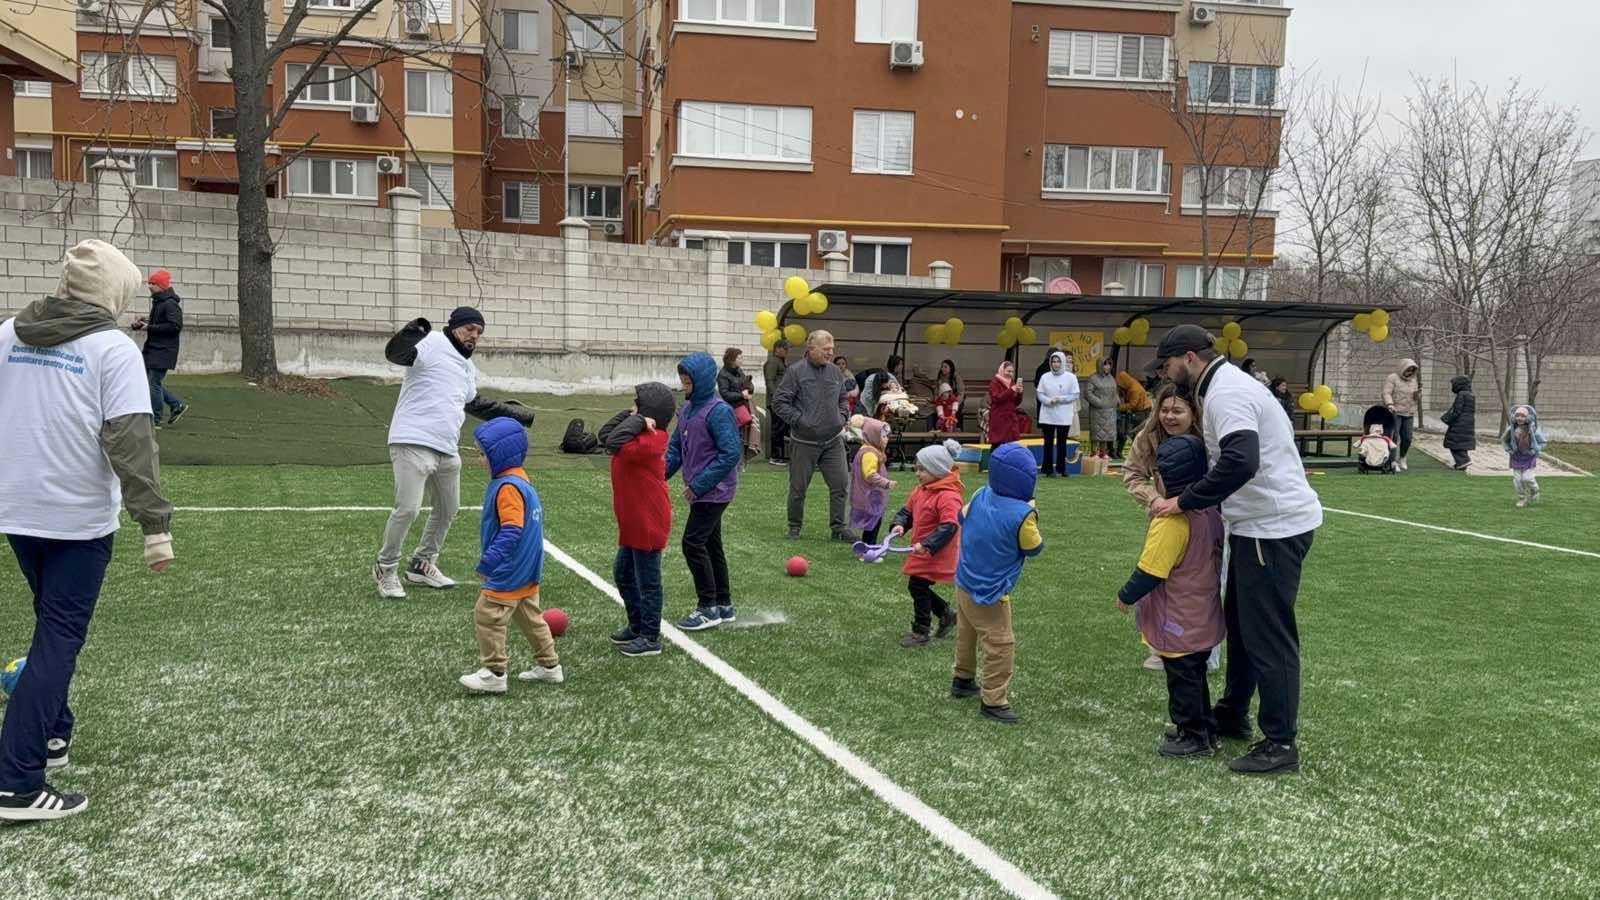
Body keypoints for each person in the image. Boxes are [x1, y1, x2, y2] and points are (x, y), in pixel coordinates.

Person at [0, 239, 175, 821]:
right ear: (114, 292)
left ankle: (53, 733)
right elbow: (131, 441)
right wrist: (156, 525)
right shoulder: (112, 349)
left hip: (17, 510)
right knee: (58, 639)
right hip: (76, 517)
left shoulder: (8, 334)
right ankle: (17, 782)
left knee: (50, 627)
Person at [1149, 324, 1322, 775]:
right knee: (1242, 628)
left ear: (1189, 358)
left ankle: (1280, 743)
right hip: (1257, 525)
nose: (1165, 373)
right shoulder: (1223, 386)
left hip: (1272, 528)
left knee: (1268, 635)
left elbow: (1241, 459)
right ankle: (1233, 711)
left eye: (1167, 364)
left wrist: (1185, 501)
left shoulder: (1225, 392)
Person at [375, 307, 535, 600]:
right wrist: (413, 331)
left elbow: (475, 404)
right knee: (408, 509)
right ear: (455, 326)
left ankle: (422, 564)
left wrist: (518, 415)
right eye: (470, 328)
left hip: (447, 448)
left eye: (479, 332)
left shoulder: (466, 366)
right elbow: (396, 354)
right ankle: (386, 568)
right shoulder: (433, 341)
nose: (474, 335)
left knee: (449, 508)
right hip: (412, 440)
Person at [1116, 434, 1224, 758]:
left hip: (1178, 615)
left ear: (1162, 477)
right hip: (1203, 611)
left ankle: (1193, 736)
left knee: (1181, 677)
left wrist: (1126, 595)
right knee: (1195, 672)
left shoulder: (1170, 522)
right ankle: (1205, 725)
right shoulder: (1209, 511)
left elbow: (1151, 570)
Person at [458, 418, 564, 694]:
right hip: (528, 565)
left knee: (488, 614)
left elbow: (512, 529)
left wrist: (490, 561)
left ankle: (495, 672)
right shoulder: (520, 479)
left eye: (483, 454)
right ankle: (550, 666)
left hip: (511, 566)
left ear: (500, 455)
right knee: (529, 616)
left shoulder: (507, 488)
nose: (480, 460)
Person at [949, 442, 1043, 724]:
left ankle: (962, 678)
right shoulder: (1023, 514)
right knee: (1000, 643)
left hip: (964, 579)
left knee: (966, 632)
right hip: (990, 589)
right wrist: (1029, 512)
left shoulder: (981, 494)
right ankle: (994, 699)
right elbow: (1033, 547)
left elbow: (961, 516)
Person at [598, 383, 677, 657]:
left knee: (648, 582)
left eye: (637, 404)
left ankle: (650, 636)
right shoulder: (638, 432)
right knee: (623, 574)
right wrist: (632, 415)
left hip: (648, 521)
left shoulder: (653, 439)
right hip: (633, 520)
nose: (632, 408)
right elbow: (605, 434)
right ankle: (637, 625)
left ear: (649, 412)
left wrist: (639, 419)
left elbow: (612, 442)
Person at [667, 352, 744, 631]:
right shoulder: (687, 410)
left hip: (715, 491)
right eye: (682, 382)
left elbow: (730, 453)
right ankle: (724, 605)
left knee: (692, 543)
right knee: (711, 544)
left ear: (701, 381)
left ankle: (707, 607)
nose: (684, 387)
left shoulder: (719, 411)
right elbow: (676, 447)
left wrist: (699, 484)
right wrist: (660, 474)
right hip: (700, 491)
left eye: (688, 382)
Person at [773, 330, 856, 542]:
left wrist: (842, 416)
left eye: (832, 349)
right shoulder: (795, 372)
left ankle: (839, 528)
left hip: (833, 441)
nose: (830, 353)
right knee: (798, 488)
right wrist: (801, 421)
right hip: (804, 442)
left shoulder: (835, 372)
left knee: (840, 485)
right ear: (811, 349)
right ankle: (794, 526)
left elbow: (843, 398)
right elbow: (779, 403)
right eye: (826, 349)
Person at [888, 439, 964, 648]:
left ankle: (921, 630)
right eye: (917, 468)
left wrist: (928, 545)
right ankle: (945, 613)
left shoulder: (948, 496)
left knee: (918, 585)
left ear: (937, 470)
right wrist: (899, 524)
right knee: (918, 585)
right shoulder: (921, 490)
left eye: (922, 469)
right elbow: (907, 512)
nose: (917, 473)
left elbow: (950, 525)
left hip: (936, 550)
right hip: (922, 548)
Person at [131, 268, 188, 427]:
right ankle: (176, 405)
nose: (149, 286)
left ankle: (156, 419)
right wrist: (143, 324)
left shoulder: (170, 304)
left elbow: (175, 326)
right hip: (154, 349)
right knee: (150, 382)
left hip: (163, 351)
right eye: (150, 283)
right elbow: (161, 323)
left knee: (153, 383)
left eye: (153, 283)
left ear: (161, 286)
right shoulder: (160, 302)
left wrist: (149, 327)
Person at [849, 417, 895, 546]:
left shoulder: (871, 450)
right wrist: (886, 483)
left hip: (870, 494)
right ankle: (869, 548)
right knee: (873, 524)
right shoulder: (869, 454)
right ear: (873, 436)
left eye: (887, 436)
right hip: (870, 495)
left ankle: (868, 546)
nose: (886, 439)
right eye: (883, 436)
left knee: (873, 523)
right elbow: (870, 475)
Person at [1035, 350, 1079, 477]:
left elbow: (1075, 395)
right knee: (1048, 442)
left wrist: (1061, 399)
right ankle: (1047, 469)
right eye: (1053, 361)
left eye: (1058, 361)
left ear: (1062, 362)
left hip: (1064, 414)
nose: (1056, 364)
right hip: (1048, 414)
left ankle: (1061, 468)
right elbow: (1040, 393)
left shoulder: (1071, 377)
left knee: (1062, 442)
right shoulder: (1045, 377)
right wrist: (1048, 401)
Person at [717, 348, 757, 464]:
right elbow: (725, 394)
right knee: (734, 437)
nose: (742, 359)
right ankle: (735, 462)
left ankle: (740, 462)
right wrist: (741, 395)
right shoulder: (723, 374)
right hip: (732, 410)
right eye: (739, 357)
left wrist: (749, 388)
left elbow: (747, 385)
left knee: (742, 436)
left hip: (743, 409)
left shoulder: (739, 371)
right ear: (732, 360)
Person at [1503, 404, 1546, 508]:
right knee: (1518, 480)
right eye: (1517, 415)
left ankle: (1534, 490)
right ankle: (1522, 498)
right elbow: (1504, 440)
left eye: (1522, 416)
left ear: (1528, 417)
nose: (1519, 418)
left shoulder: (1533, 430)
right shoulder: (1511, 429)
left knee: (1527, 478)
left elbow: (1543, 442)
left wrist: (1535, 450)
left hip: (1529, 457)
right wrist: (1509, 449)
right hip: (1516, 457)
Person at [1383, 359, 1422, 472]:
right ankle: (1393, 460)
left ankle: (1403, 457)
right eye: (1408, 370)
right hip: (1395, 412)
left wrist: (1418, 394)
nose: (1409, 373)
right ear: (1402, 368)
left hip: (1409, 413)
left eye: (1412, 371)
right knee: (1394, 437)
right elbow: (1386, 392)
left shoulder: (1413, 380)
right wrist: (1390, 404)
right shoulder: (1393, 378)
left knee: (1407, 438)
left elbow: (1415, 398)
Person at [1085, 358, 1120, 458]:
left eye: (1109, 364)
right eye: (1105, 364)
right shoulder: (1093, 378)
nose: (1107, 367)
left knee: (1106, 432)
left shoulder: (1111, 378)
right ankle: (1094, 452)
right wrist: (1099, 402)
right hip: (1097, 411)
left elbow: (1114, 391)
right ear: (1100, 365)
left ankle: (1103, 452)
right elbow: (1087, 393)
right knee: (1097, 431)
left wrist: (1117, 400)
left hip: (1110, 410)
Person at [984, 360, 1025, 446]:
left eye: (1012, 372)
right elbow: (997, 398)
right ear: (1002, 370)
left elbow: (1016, 403)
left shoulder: (1012, 383)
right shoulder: (994, 382)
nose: (1010, 374)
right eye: (1008, 371)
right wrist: (1011, 390)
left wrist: (1020, 393)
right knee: (997, 443)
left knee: (1010, 444)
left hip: (1010, 418)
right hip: (999, 417)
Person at [763, 339, 791, 465]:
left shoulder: (780, 362)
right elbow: (769, 381)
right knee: (777, 428)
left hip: (782, 400)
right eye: (785, 349)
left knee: (782, 428)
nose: (787, 351)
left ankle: (780, 455)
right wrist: (776, 397)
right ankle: (775, 456)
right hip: (776, 401)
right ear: (778, 349)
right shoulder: (773, 362)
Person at [1441, 375, 1476, 471]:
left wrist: (1448, 419)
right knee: (1461, 444)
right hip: (1468, 423)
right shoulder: (1470, 394)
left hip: (1459, 423)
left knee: (1453, 443)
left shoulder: (1461, 395)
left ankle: (1464, 461)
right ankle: (1461, 463)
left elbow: (1457, 411)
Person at [1115, 368, 1151, 457]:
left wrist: (1119, 408)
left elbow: (1132, 404)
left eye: (1120, 384)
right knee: (1134, 433)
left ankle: (1138, 454)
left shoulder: (1134, 389)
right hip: (1140, 411)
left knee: (1136, 433)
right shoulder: (1131, 385)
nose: (1120, 386)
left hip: (1142, 411)